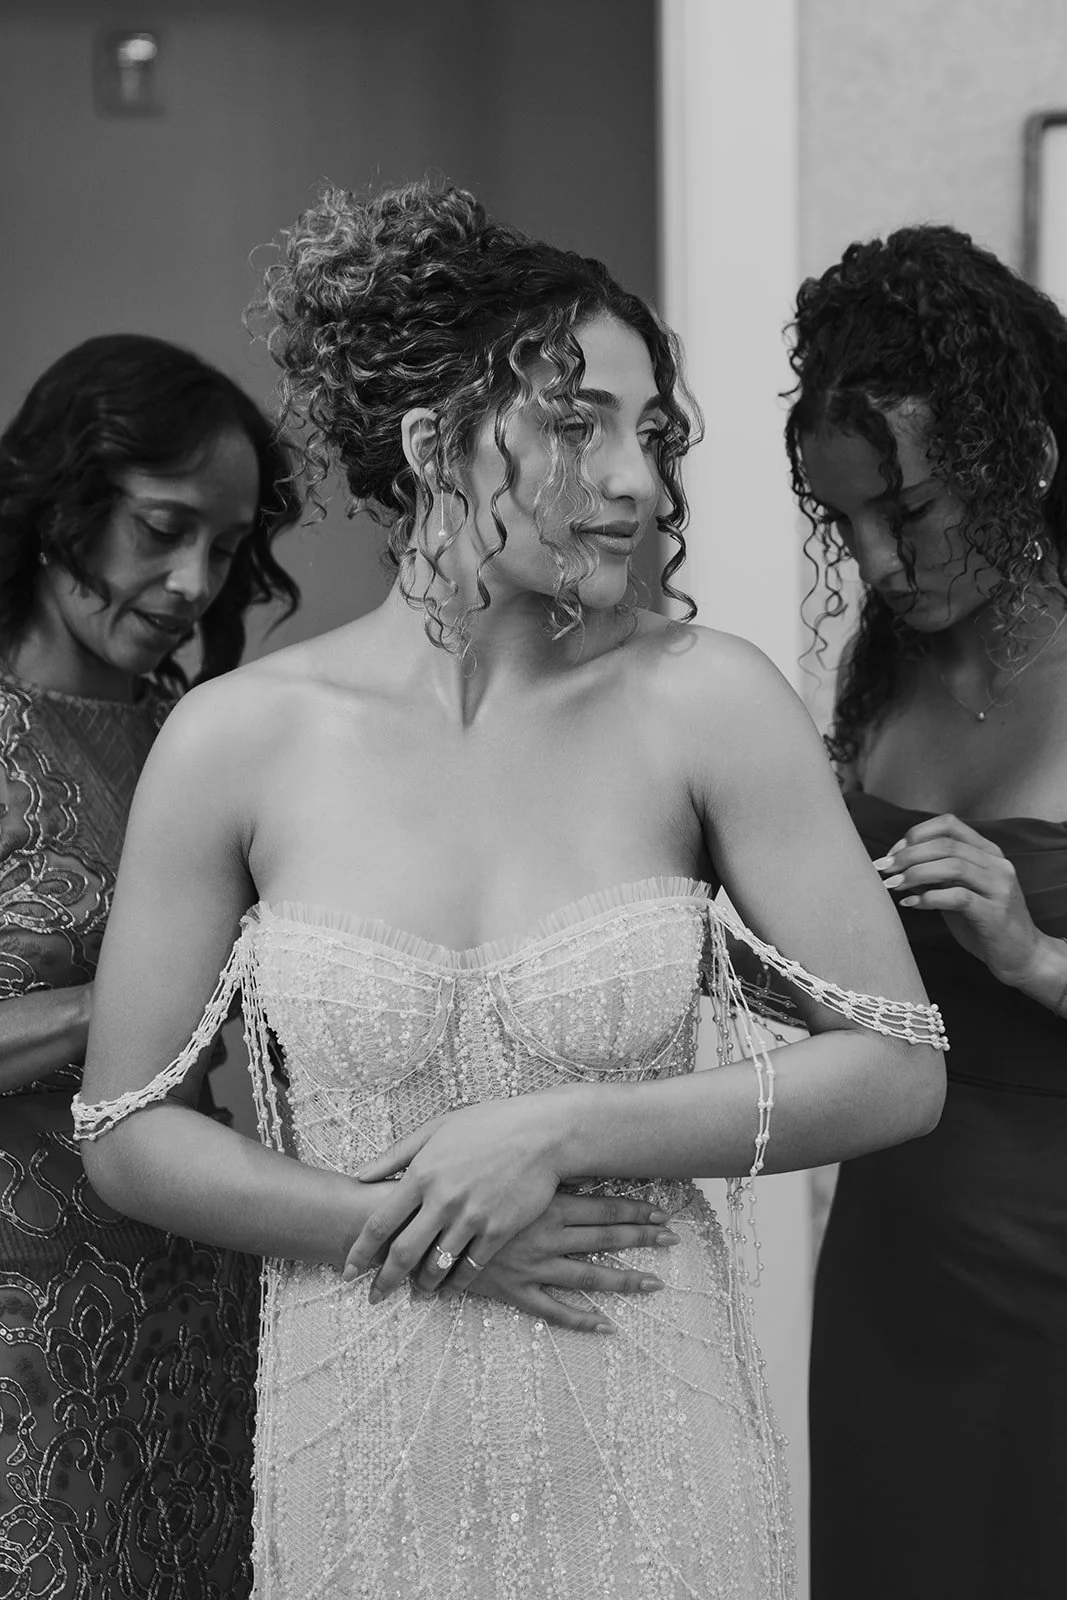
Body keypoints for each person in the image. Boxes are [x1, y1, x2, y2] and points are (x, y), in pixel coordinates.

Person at [75, 185, 946, 1600]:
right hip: (361, 1449)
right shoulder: (238, 737)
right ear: (431, 448)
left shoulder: (704, 703)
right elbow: (124, 1132)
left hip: (647, 1441)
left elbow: (897, 1071)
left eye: (648, 433)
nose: (636, 484)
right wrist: (407, 1226)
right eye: (573, 424)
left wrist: (561, 1126)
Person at [786, 224, 1067, 1600]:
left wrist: (1027, 954)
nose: (879, 561)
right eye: (841, 522)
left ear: (1018, 462)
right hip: (893, 1266)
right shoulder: (876, 679)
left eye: (908, 511)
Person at [0, 333, 302, 1597]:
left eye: (224, 549)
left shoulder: (197, 737)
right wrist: (129, 1005)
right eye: (160, 528)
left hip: (190, 1295)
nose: (190, 581)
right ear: (62, 501)